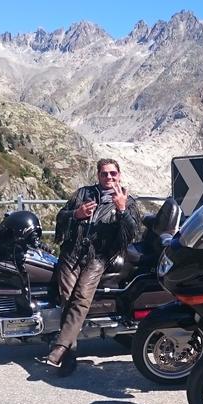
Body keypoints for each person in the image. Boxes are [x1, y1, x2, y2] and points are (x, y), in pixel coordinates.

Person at [37, 158, 140, 375]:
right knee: (67, 298)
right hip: (72, 253)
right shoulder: (83, 193)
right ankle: (68, 354)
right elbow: (61, 217)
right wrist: (76, 214)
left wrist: (121, 209)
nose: (109, 178)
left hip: (99, 257)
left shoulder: (127, 200)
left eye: (113, 174)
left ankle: (61, 349)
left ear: (119, 175)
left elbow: (131, 232)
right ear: (98, 176)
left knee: (82, 297)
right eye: (104, 174)